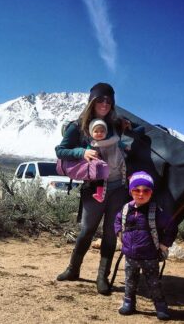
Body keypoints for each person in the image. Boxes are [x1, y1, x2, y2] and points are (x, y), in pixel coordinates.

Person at [55, 82, 130, 295]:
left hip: (118, 187)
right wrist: (82, 153)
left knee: (109, 232)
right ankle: (73, 269)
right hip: (94, 186)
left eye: (109, 100)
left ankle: (102, 277)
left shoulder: (116, 124)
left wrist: (130, 127)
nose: (105, 104)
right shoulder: (78, 126)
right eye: (100, 99)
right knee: (87, 229)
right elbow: (60, 150)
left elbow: (134, 136)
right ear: (92, 101)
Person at [114, 171, 177, 320]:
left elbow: (172, 227)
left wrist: (164, 244)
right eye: (136, 190)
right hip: (130, 255)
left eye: (145, 191)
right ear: (131, 192)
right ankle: (129, 303)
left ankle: (160, 307)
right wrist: (120, 235)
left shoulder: (156, 212)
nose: (141, 194)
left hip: (150, 256)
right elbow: (117, 222)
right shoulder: (125, 210)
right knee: (129, 282)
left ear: (151, 192)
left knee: (153, 283)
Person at [87, 118, 129, 202]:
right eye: (96, 131)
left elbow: (119, 143)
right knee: (100, 180)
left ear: (106, 132)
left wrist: (126, 147)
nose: (99, 133)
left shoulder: (112, 140)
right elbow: (88, 152)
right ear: (91, 133)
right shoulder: (92, 144)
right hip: (101, 167)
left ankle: (128, 186)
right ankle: (100, 195)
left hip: (116, 164)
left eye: (102, 131)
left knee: (125, 169)